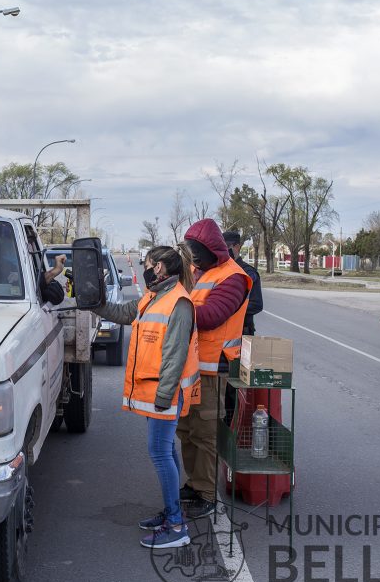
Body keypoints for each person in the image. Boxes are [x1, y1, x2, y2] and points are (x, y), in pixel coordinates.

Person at [91, 246, 201, 548]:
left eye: (149, 264)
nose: (144, 268)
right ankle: (171, 512)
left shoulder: (178, 302)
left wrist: (165, 396)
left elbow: (175, 355)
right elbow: (125, 313)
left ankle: (176, 526)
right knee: (165, 451)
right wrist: (94, 302)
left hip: (164, 393)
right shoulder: (155, 296)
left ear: (162, 268)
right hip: (157, 392)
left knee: (159, 452)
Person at [179, 219, 251, 519]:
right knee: (186, 430)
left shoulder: (234, 277)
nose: (194, 260)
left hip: (213, 368)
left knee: (205, 433)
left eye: (197, 254)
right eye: (191, 255)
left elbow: (211, 315)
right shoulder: (200, 272)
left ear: (213, 249)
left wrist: (171, 306)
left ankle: (206, 493)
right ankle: (194, 484)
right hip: (191, 366)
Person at [223, 231, 263, 335]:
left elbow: (256, 305)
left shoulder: (248, 273)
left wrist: (228, 309)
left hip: (241, 332)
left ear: (237, 247)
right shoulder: (219, 270)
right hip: (220, 333)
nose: (224, 250)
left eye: (227, 246)